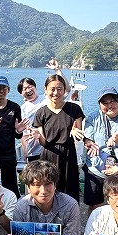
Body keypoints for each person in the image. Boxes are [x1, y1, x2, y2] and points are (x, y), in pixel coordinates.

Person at [32, 74, 84, 202]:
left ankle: (71, 219)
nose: (56, 93)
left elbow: (78, 135)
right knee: (48, 190)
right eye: (52, 89)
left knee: (69, 191)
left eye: (59, 89)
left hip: (68, 154)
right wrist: (38, 137)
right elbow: (44, 142)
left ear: (65, 90)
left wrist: (76, 132)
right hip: (48, 155)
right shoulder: (41, 112)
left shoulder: (74, 109)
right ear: (45, 90)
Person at [82, 86, 118, 209]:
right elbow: (87, 139)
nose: (109, 105)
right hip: (96, 167)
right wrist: (90, 144)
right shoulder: (93, 117)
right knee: (95, 204)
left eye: (112, 101)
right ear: (100, 105)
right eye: (104, 103)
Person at [0, 75, 27, 197]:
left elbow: (18, 136)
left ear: (8, 89)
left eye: (4, 88)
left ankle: (14, 210)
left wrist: (18, 131)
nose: (0, 91)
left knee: (11, 185)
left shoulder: (14, 107)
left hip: (9, 153)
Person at [17, 77, 45, 162]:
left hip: (49, 148)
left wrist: (57, 70)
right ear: (21, 93)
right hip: (34, 151)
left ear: (35, 87)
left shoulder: (46, 99)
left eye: (30, 86)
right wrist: (25, 152)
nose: (28, 90)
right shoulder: (22, 110)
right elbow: (24, 134)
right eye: (25, 89)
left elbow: (66, 90)